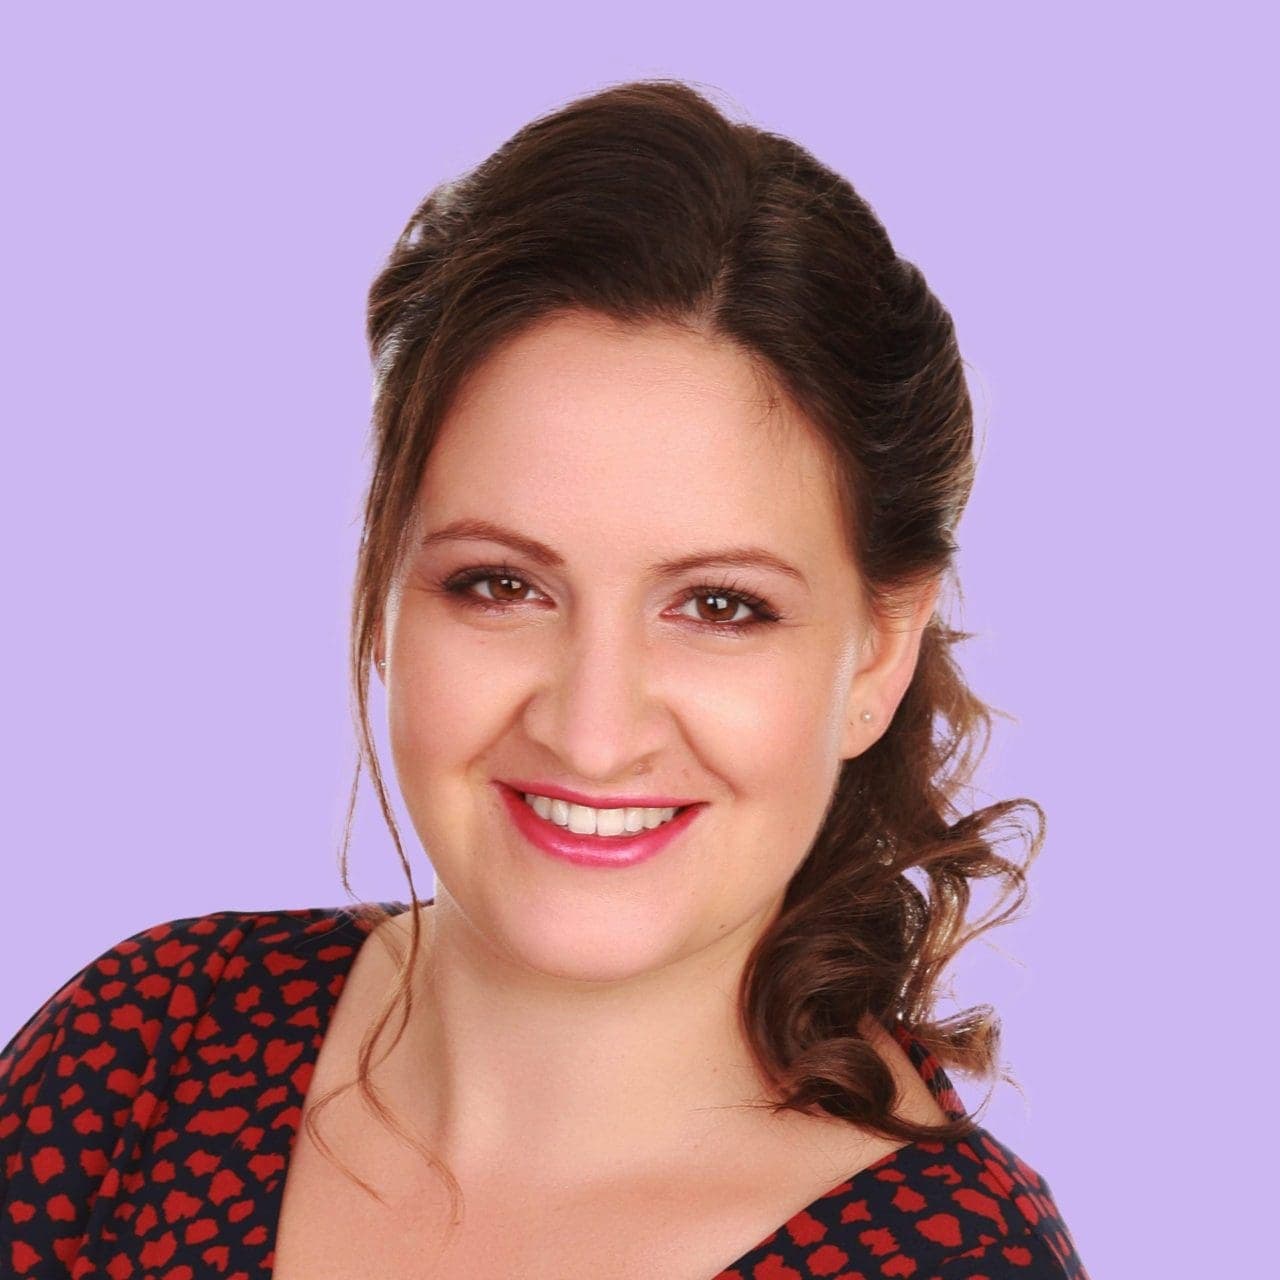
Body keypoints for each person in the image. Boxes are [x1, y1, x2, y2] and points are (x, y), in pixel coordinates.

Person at [0, 78, 1091, 1278]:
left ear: (877, 650)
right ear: (386, 580)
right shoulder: (144, 1051)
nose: (590, 728)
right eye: (499, 584)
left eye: (719, 605)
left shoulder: (948, 1257)